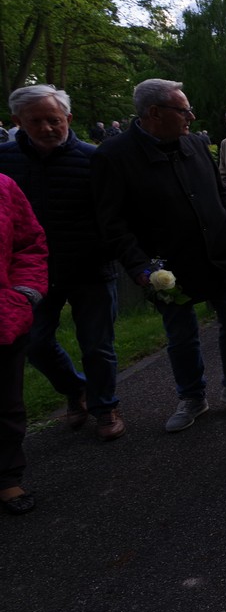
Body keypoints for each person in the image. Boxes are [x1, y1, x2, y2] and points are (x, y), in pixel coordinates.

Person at [91, 79, 226, 433]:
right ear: (154, 113)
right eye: (183, 110)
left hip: (219, 255)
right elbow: (112, 222)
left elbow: (221, 191)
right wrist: (139, 267)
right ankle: (191, 396)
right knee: (182, 335)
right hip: (167, 267)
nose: (191, 116)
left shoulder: (195, 143)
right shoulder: (113, 156)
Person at [1, 85, 124, 441]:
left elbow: (113, 214)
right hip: (31, 276)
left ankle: (104, 406)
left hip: (90, 268)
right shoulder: (4, 161)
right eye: (35, 121)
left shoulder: (93, 158)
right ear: (18, 122)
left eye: (54, 120)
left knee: (97, 345)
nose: (47, 128)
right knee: (35, 344)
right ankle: (75, 388)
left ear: (68, 118)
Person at [0, 172, 47, 514]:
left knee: (5, 402)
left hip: (4, 317)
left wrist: (23, 295)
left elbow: (30, 243)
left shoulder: (4, 186)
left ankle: (7, 477)